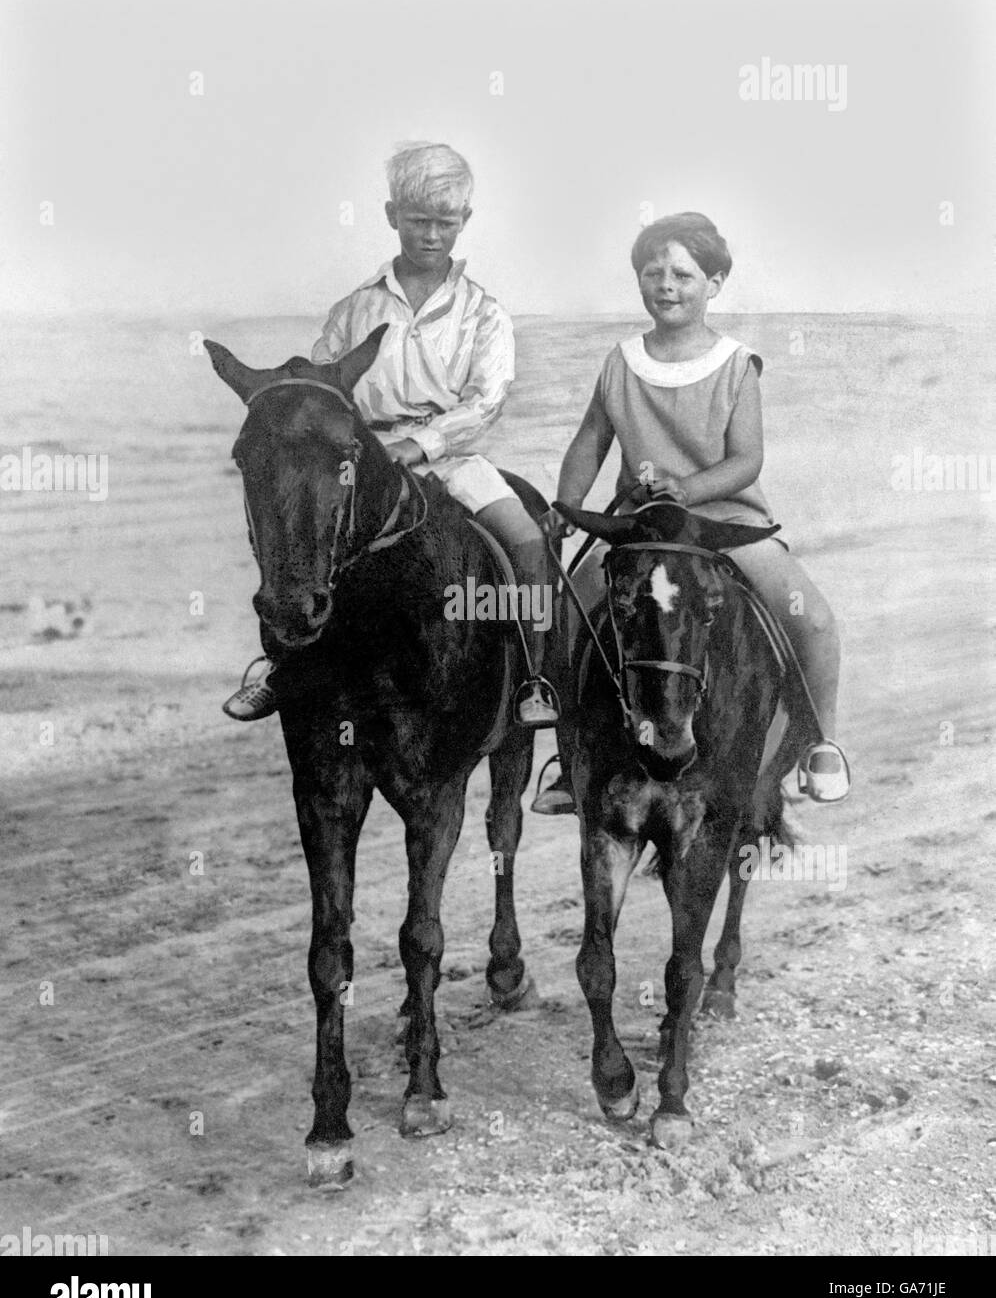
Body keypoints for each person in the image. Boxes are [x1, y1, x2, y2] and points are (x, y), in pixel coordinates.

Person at [223, 142, 558, 727]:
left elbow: (486, 402)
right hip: (362, 462)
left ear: (464, 223)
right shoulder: (353, 309)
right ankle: (282, 666)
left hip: (453, 462)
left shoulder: (483, 313)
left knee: (526, 542)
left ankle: (534, 676)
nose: (431, 235)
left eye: (444, 223)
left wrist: (421, 444)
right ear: (391, 216)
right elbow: (324, 393)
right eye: (418, 220)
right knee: (297, 535)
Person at [533, 211, 849, 811]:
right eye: (653, 273)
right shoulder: (621, 361)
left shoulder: (735, 363)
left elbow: (746, 460)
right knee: (567, 610)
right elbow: (588, 444)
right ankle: (569, 758)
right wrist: (567, 507)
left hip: (726, 522)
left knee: (812, 619)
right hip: (640, 526)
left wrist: (687, 488)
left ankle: (821, 744)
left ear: (716, 282)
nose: (667, 284)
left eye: (683, 273)